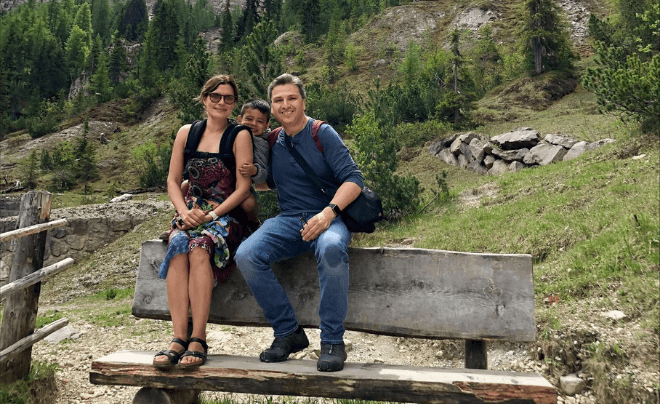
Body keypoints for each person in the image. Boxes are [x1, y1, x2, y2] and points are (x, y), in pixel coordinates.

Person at [235, 73, 363, 372]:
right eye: (278, 100)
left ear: (303, 101)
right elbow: (269, 182)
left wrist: (327, 213)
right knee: (247, 254)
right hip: (290, 219)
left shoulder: (322, 132)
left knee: (331, 248)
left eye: (291, 98)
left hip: (329, 217)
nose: (285, 104)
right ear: (272, 107)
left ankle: (332, 341)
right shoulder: (271, 139)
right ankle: (288, 333)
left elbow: (354, 179)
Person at [153, 74, 253, 369]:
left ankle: (198, 337)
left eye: (228, 98)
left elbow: (243, 189)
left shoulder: (240, 135)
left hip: (225, 216)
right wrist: (183, 212)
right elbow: (172, 180)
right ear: (204, 98)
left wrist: (212, 214)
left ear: (234, 103)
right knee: (179, 243)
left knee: (200, 247)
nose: (222, 102)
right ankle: (178, 337)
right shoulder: (187, 133)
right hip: (191, 212)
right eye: (216, 96)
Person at [236, 99, 271, 228]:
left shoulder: (261, 143)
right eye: (249, 119)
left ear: (267, 125)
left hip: (242, 185)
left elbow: (263, 174)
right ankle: (179, 221)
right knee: (185, 186)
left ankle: (254, 226)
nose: (253, 124)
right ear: (240, 119)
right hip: (220, 181)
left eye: (260, 121)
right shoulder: (232, 133)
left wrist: (254, 170)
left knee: (249, 204)